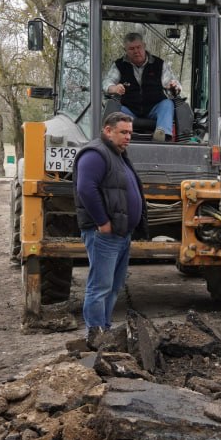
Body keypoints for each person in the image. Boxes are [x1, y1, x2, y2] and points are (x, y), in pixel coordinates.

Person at [73, 112, 148, 337]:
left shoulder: (117, 154)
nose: (128, 137)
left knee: (114, 287)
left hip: (121, 233)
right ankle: (94, 334)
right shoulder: (95, 154)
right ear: (108, 130)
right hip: (105, 234)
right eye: (123, 132)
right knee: (100, 286)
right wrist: (103, 222)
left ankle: (104, 331)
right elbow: (86, 189)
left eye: (130, 133)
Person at [102, 32, 181, 142]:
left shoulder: (159, 64)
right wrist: (113, 88)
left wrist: (174, 86)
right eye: (131, 48)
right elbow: (107, 82)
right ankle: (111, 138)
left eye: (138, 47)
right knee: (112, 105)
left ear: (144, 46)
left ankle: (163, 136)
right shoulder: (119, 65)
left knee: (167, 104)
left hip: (154, 109)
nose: (136, 51)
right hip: (129, 110)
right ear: (125, 50)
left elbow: (173, 85)